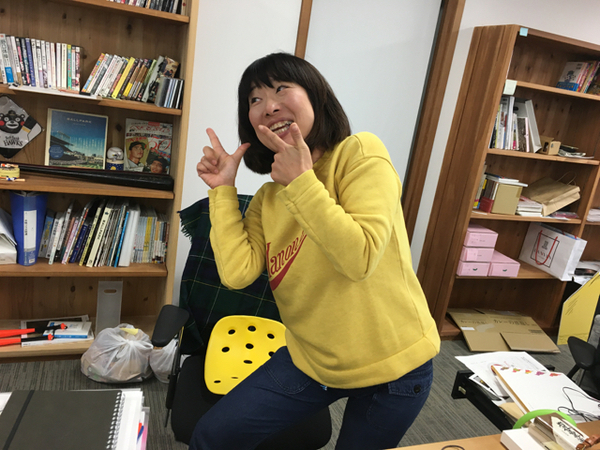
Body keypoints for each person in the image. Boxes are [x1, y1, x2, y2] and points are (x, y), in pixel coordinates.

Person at [192, 52, 440, 450]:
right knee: (212, 436)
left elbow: (359, 258)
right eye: (254, 99)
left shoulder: (359, 153)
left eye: (281, 89)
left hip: (395, 367)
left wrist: (301, 182)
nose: (269, 106)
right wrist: (223, 190)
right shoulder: (268, 200)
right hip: (311, 360)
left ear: (316, 96)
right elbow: (237, 273)